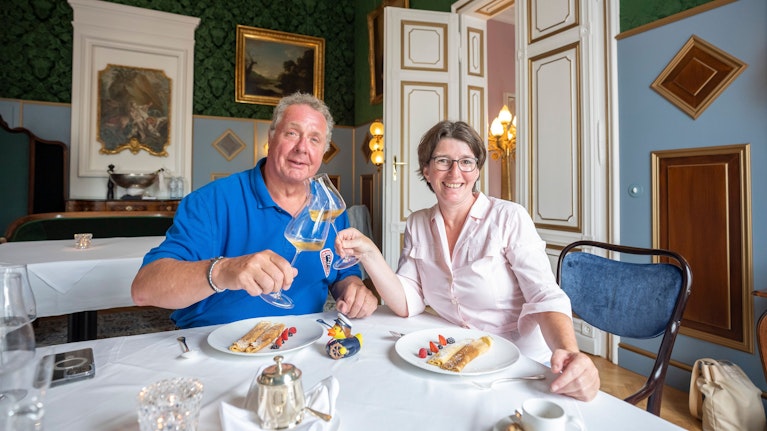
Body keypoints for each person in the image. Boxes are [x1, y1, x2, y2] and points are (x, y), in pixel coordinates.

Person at [335, 120, 600, 401]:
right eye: (443, 161)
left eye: (466, 162)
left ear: (477, 170)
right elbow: (408, 302)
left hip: (521, 367)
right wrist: (369, 253)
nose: (455, 172)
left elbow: (545, 296)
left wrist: (570, 353)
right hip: (456, 357)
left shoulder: (509, 217)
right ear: (426, 170)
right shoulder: (418, 223)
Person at [131, 92, 378, 328]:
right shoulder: (211, 201)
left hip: (303, 340)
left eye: (314, 139)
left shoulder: (330, 209)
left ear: (323, 151)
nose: (302, 147)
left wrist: (353, 288)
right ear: (271, 138)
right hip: (213, 345)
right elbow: (144, 288)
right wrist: (224, 270)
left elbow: (342, 274)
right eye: (292, 133)